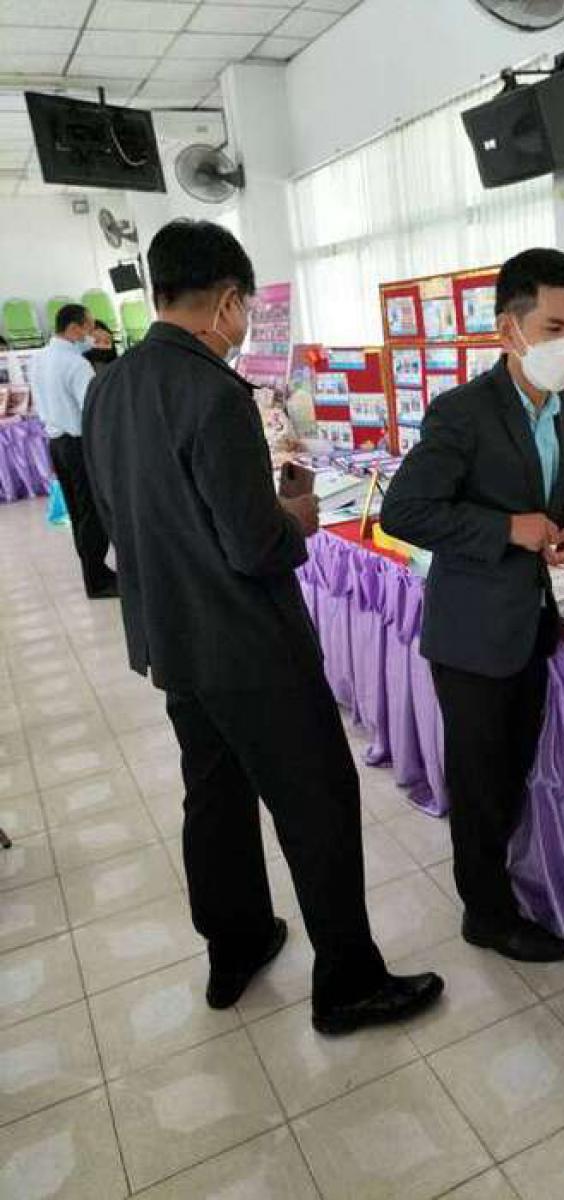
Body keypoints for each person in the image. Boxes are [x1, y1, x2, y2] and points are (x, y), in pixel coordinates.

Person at [82, 219, 443, 1033]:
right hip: (249, 647)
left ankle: (236, 945)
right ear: (228, 302)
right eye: (243, 308)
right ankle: (348, 984)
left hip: (170, 637)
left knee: (212, 797)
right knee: (317, 803)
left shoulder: (112, 385)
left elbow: (115, 512)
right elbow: (254, 545)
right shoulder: (215, 392)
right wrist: (298, 518)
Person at [381, 248, 564, 963]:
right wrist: (505, 529)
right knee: (479, 783)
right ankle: (486, 914)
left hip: (531, 623)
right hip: (471, 634)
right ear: (510, 330)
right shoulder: (462, 413)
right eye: (556, 327)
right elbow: (406, 511)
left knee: (511, 773)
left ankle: (505, 884)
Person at [32, 303, 117, 599]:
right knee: (92, 512)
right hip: (78, 445)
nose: (93, 334)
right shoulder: (76, 365)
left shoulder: (40, 358)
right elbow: (92, 410)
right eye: (89, 328)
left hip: (56, 443)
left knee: (78, 511)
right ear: (74, 328)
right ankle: (98, 580)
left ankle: (94, 572)